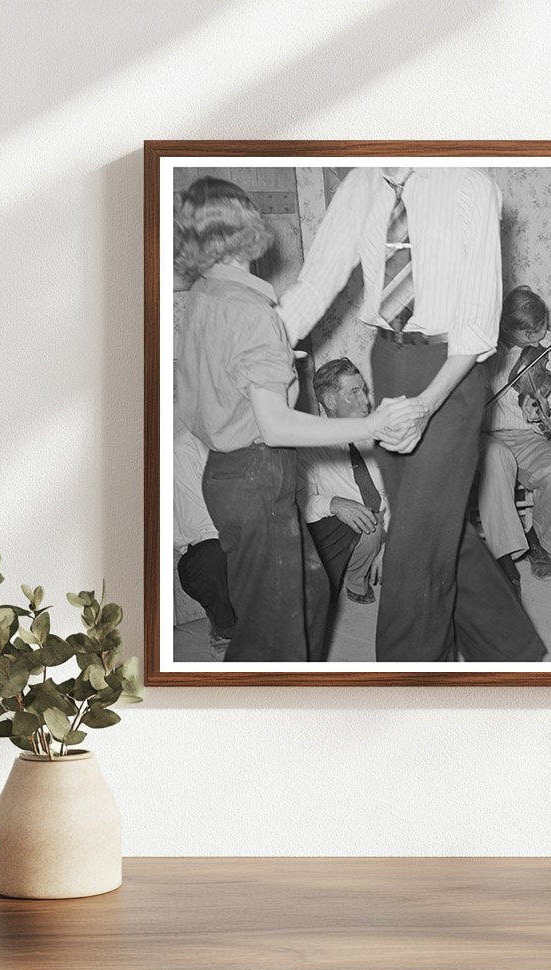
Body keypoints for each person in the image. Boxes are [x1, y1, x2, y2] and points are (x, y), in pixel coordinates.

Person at [277, 167, 545, 662]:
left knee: (414, 540)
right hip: (389, 358)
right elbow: (316, 282)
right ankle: (512, 650)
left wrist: (426, 404)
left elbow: (479, 320)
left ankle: (409, 684)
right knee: (436, 525)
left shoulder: (469, 184)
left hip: (453, 367)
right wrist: (262, 344)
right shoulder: (361, 184)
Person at [173, 176, 423, 663]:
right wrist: (372, 426)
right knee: (274, 628)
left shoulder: (206, 295)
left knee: (308, 588)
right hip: (256, 473)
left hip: (223, 475)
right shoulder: (250, 308)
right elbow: (277, 426)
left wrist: (272, 359)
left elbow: (221, 373)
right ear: (247, 225)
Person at [479, 286, 551, 599]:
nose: (540, 336)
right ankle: (505, 556)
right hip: (488, 435)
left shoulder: (549, 345)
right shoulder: (484, 347)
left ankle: (538, 543)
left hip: (530, 435)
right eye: (530, 333)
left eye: (543, 326)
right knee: (496, 459)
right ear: (508, 329)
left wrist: (543, 414)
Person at [299, 358, 388, 657]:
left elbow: (399, 494)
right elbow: (300, 504)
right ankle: (353, 577)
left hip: (381, 524)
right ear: (329, 400)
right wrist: (334, 503)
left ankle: (369, 566)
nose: (365, 400)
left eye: (363, 390)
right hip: (343, 532)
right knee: (366, 527)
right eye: (354, 393)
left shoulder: (378, 433)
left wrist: (389, 545)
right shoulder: (308, 443)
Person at [173, 423, 235, 660]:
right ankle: (224, 629)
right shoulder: (184, 449)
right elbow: (203, 527)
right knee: (213, 558)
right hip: (207, 546)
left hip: (244, 536)